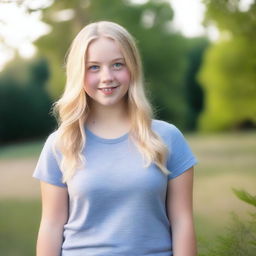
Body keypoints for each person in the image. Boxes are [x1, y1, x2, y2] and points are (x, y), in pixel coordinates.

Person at [33, 21, 198, 256]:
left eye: (117, 65)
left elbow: (182, 222)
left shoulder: (167, 138)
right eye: (93, 67)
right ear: (79, 72)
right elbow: (51, 226)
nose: (107, 76)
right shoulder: (61, 144)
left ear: (132, 68)